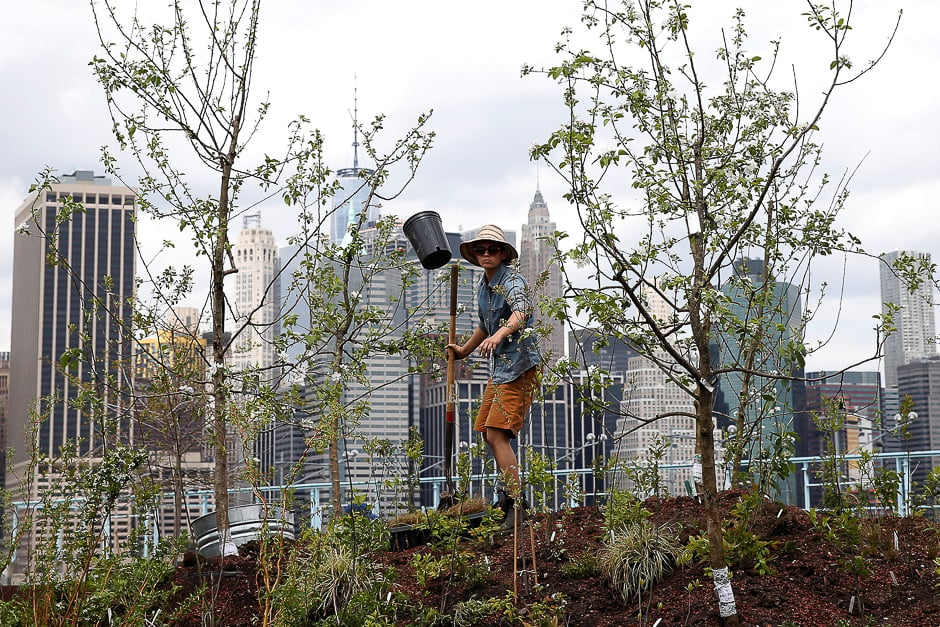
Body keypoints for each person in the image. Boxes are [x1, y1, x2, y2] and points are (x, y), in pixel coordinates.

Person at [446, 224, 541, 531]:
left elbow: (522, 311)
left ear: (503, 253)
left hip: (520, 367)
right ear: (475, 254)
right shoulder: (483, 287)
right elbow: (484, 327)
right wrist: (463, 351)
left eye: (493, 249)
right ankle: (507, 497)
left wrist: (500, 335)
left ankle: (518, 504)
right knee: (489, 432)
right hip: (500, 370)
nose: (486, 254)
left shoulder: (511, 281)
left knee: (499, 434)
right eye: (481, 250)